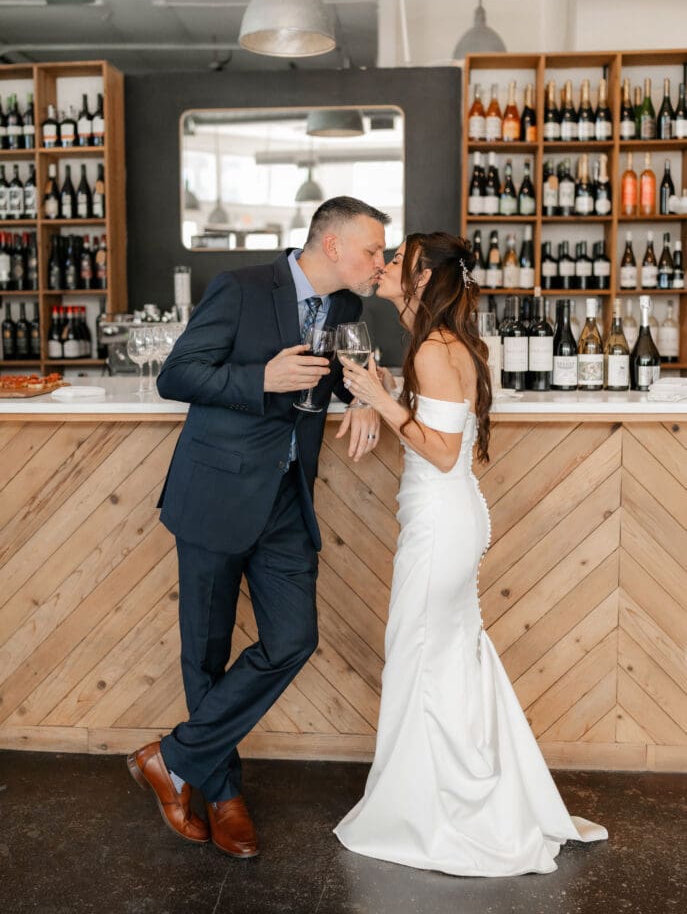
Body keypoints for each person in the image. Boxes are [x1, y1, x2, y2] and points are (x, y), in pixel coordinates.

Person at [334, 232, 608, 876]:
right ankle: (459, 792)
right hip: (448, 517)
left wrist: (379, 400)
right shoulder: (442, 343)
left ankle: (438, 813)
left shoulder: (434, 348)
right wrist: (384, 394)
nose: (385, 265)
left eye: (397, 259)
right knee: (445, 656)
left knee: (420, 653)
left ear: (423, 277)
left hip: (441, 522)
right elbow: (440, 428)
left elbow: (442, 451)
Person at [127, 196, 389, 858]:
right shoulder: (239, 287)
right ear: (332, 245)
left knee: (293, 639)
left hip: (286, 501)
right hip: (215, 494)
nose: (379, 262)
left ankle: (172, 759)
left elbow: (343, 376)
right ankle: (222, 794)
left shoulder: (346, 307)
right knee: (205, 653)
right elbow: (176, 376)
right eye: (372, 250)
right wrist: (260, 378)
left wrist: (366, 398)